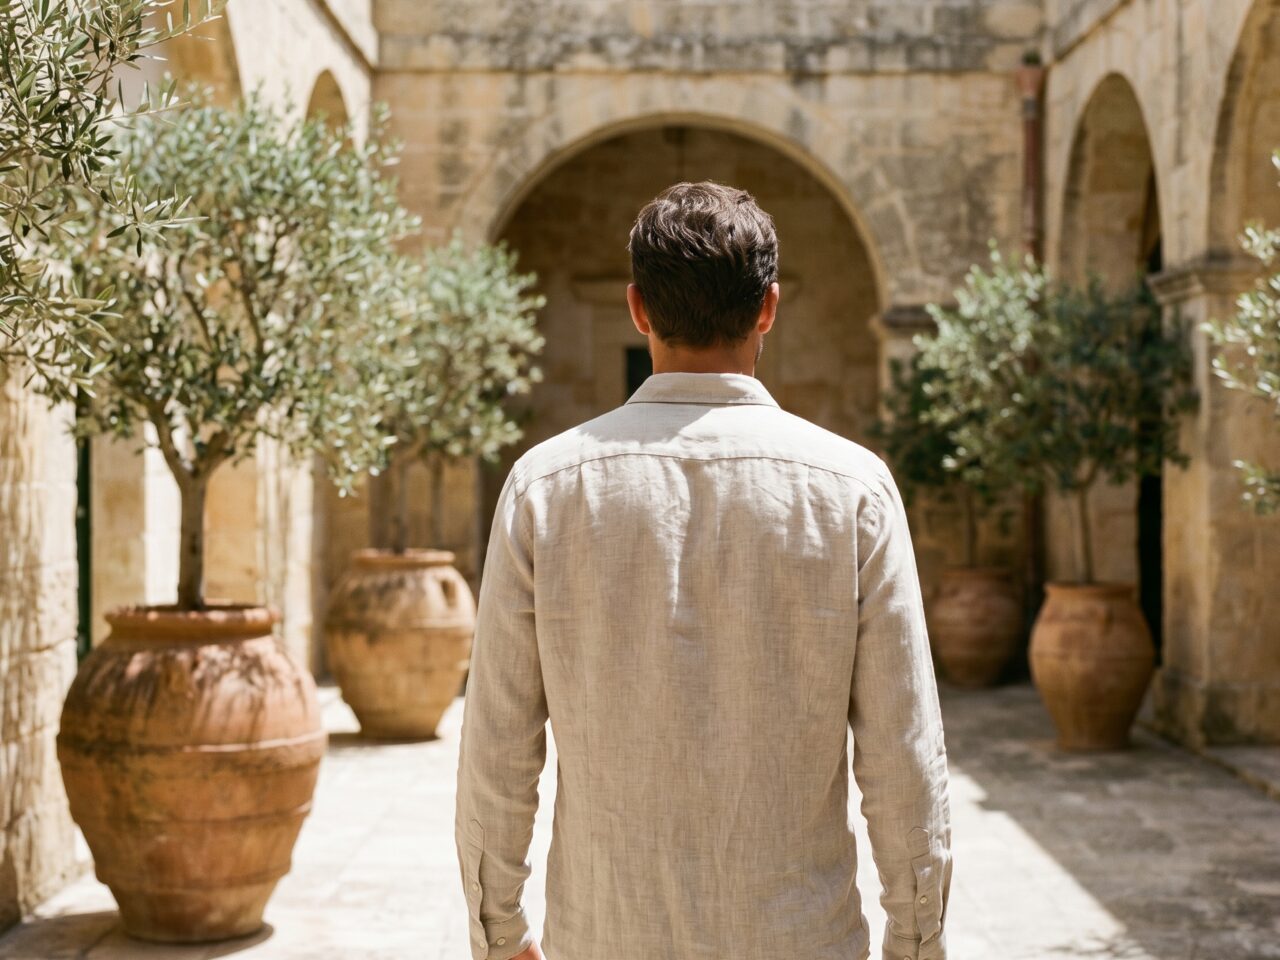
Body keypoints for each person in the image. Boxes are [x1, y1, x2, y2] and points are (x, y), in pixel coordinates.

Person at [454, 180, 952, 960]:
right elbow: (904, 752)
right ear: (769, 309)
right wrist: (918, 941)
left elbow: (496, 746)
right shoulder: (855, 490)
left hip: (605, 934)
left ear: (638, 309)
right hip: (800, 939)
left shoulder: (545, 487)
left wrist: (499, 931)